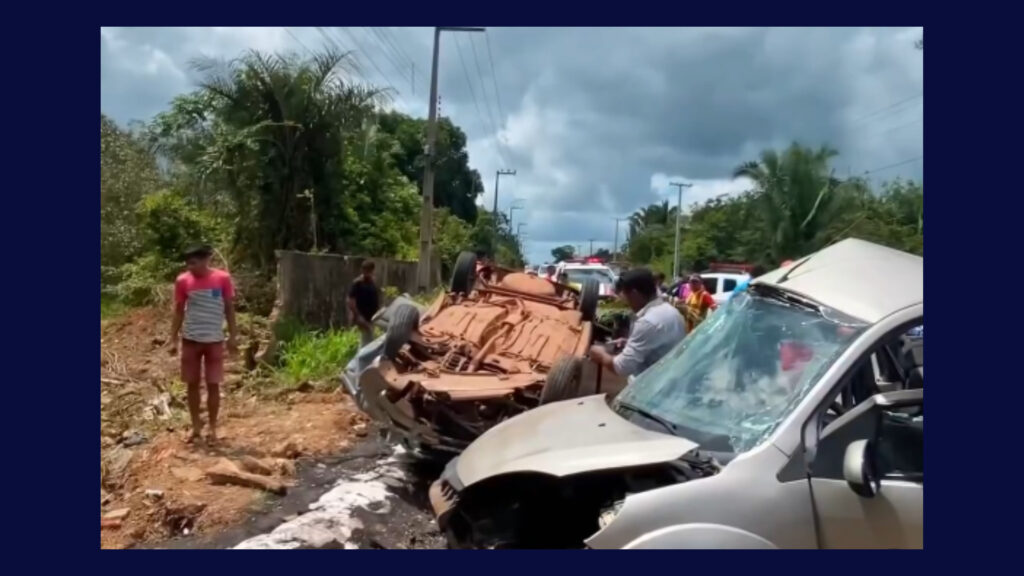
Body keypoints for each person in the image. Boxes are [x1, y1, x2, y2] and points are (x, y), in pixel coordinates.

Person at [169, 244, 238, 445]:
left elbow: (229, 308)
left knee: (213, 384)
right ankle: (196, 427)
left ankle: (213, 428)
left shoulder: (222, 278)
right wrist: (173, 338)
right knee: (191, 384)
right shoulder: (183, 281)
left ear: (206, 260)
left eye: (194, 262)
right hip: (190, 339)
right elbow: (179, 311)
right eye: (188, 263)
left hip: (214, 339)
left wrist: (233, 336)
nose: (190, 266)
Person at [589, 268, 686, 377]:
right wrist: (630, 342)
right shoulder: (671, 311)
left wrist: (600, 355)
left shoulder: (648, 321)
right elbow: (656, 342)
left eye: (626, 296)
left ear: (634, 294)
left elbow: (621, 368)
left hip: (651, 386)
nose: (626, 302)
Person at [348, 260, 380, 349]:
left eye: (369, 271)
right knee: (367, 342)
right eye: (365, 270)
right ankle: (362, 361)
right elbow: (350, 301)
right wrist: (358, 316)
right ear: (362, 270)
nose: (367, 273)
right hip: (363, 317)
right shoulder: (358, 283)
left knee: (368, 341)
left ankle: (364, 360)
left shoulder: (372, 282)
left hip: (371, 318)